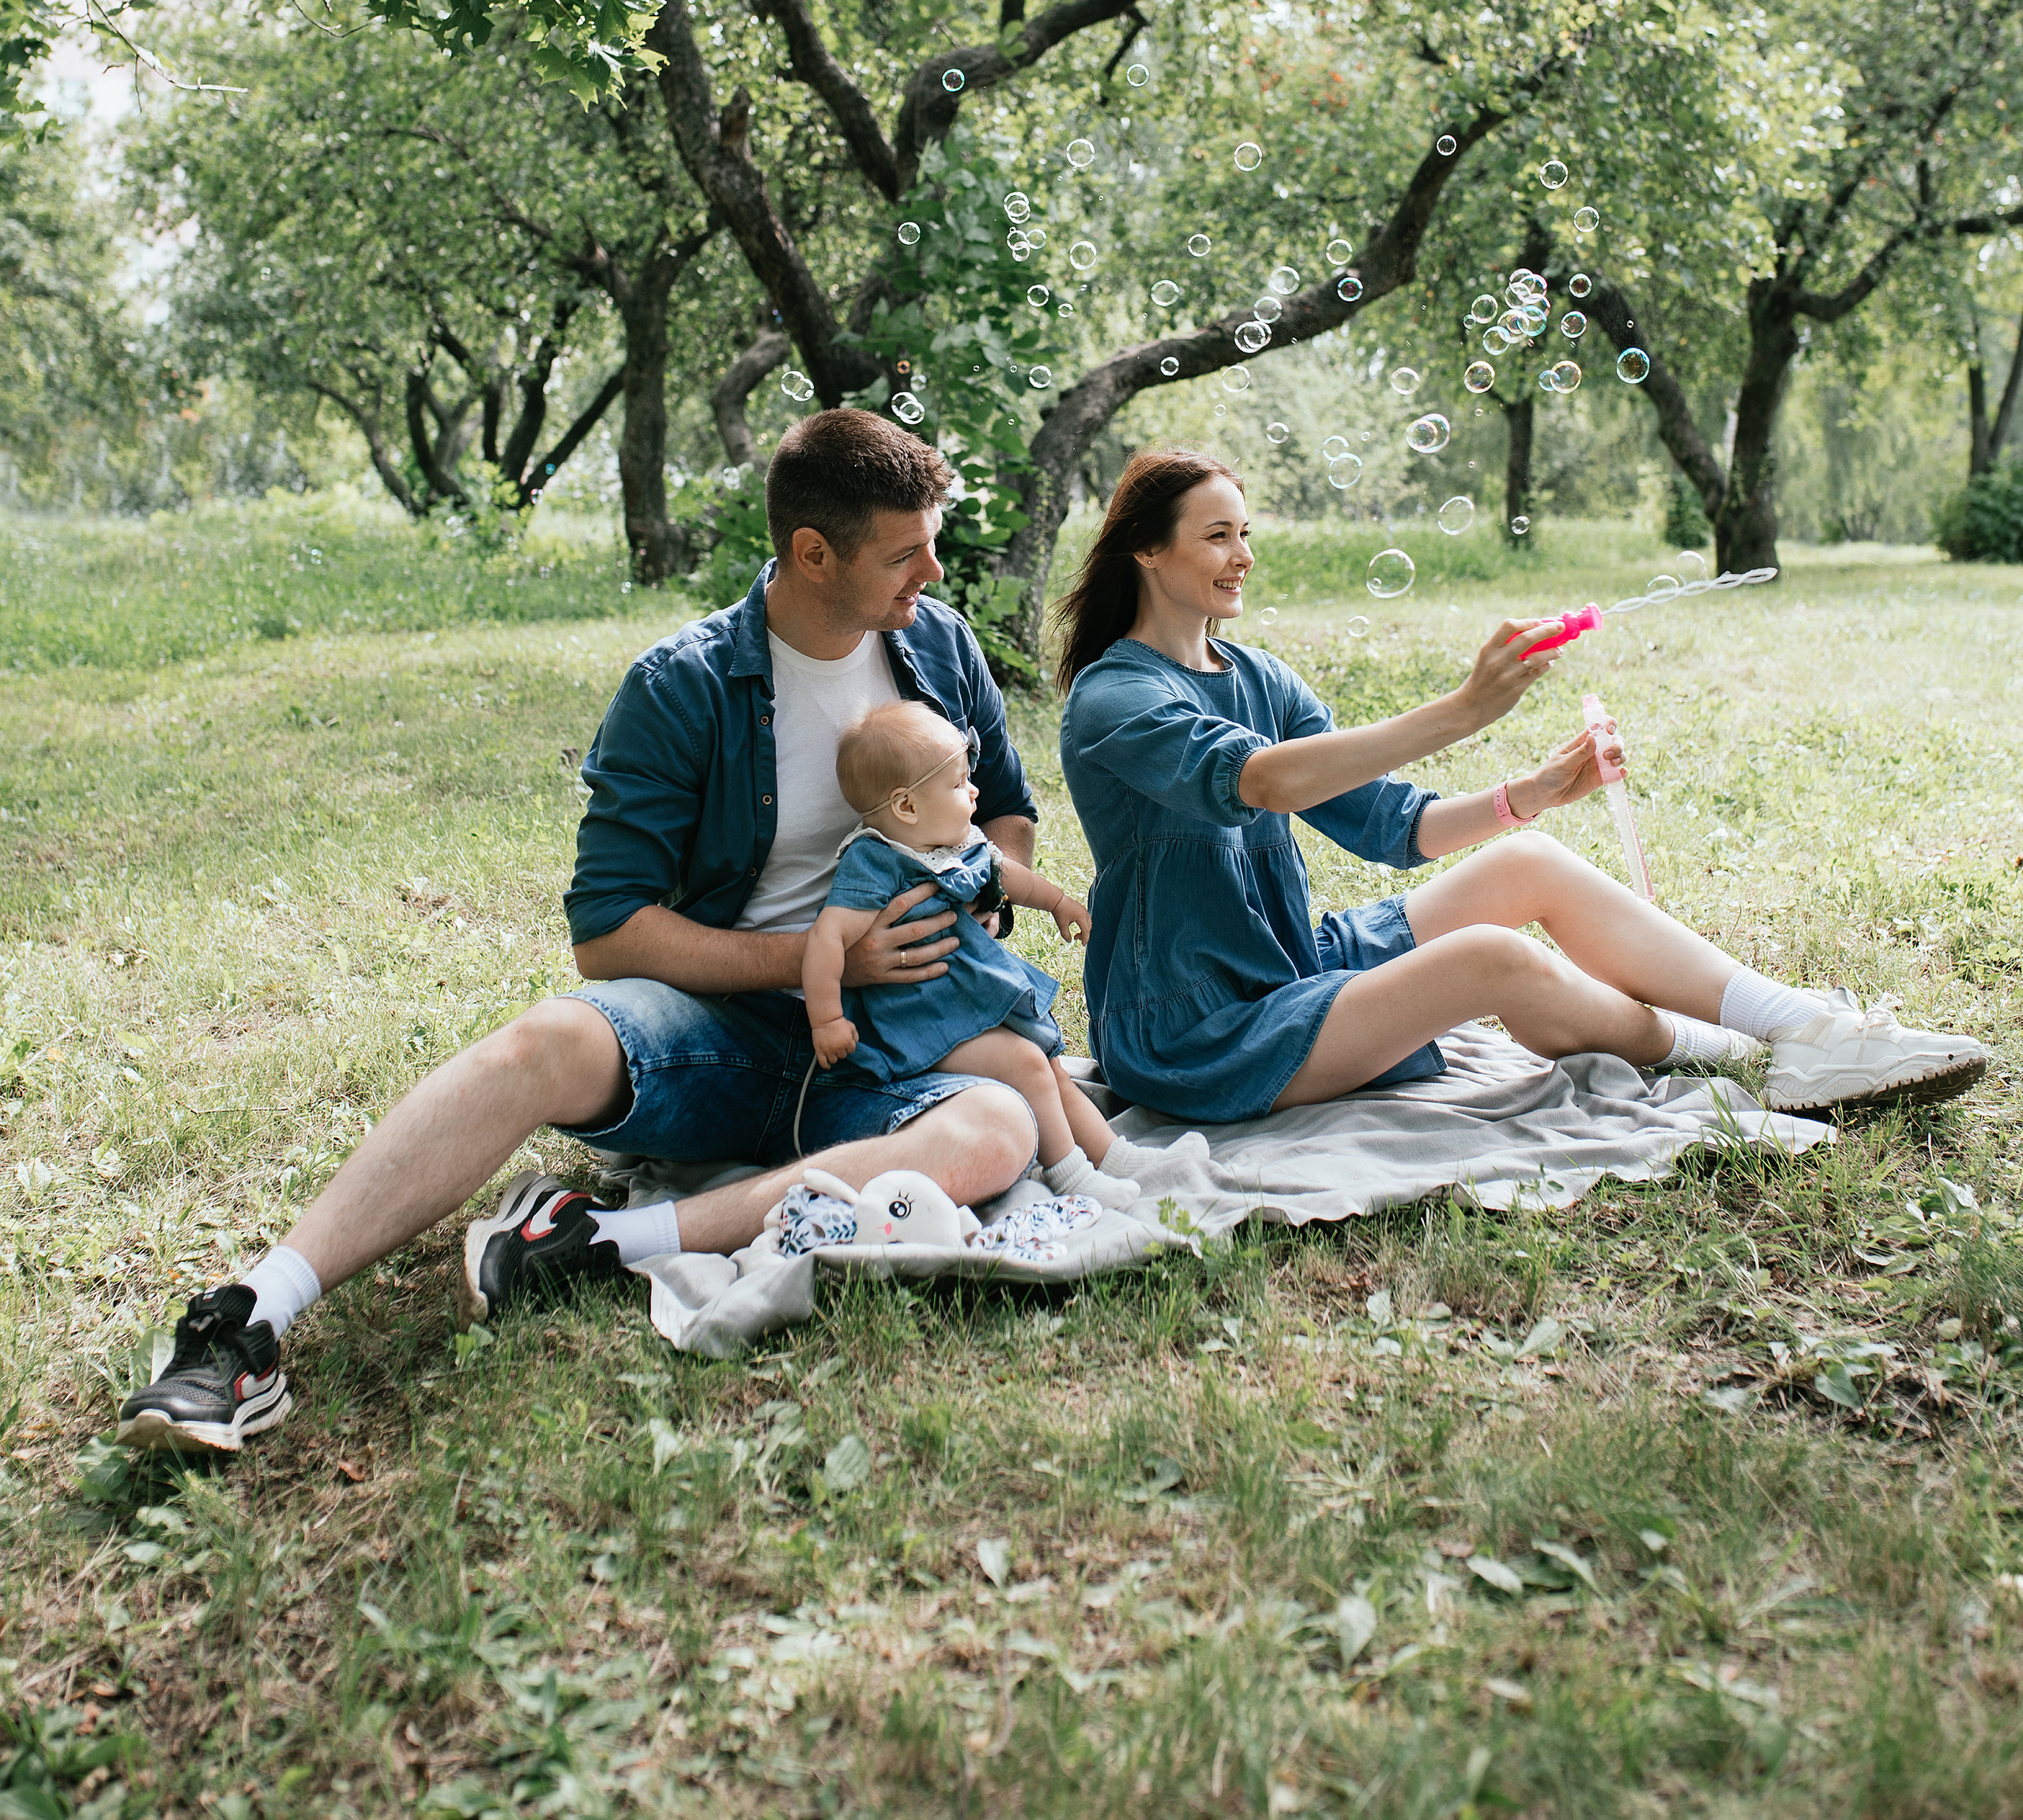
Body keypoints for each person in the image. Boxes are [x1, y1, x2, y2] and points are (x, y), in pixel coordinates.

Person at [116, 412, 1051, 1453]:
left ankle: (593, 1244)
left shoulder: (941, 645)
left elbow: (1007, 810)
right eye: (904, 550)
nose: (933, 568)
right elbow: (611, 937)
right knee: (549, 1039)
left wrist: (975, 899)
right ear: (812, 553)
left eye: (932, 540)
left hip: (901, 1046)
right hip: (730, 1034)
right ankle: (250, 1316)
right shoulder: (682, 685)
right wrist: (820, 960)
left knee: (1000, 1127)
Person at [1056, 448, 1988, 1125]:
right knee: (1490, 960)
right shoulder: (1115, 696)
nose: (1242, 555)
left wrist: (1528, 794)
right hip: (1196, 1026)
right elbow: (1260, 783)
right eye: (1216, 536)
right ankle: (1750, 1060)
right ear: (1145, 550)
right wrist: (1462, 710)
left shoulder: (1257, 675)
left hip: (1289, 961)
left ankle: (1807, 1030)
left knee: (1529, 863)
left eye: (1245, 533)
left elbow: (1390, 825)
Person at [804, 701, 1139, 1211]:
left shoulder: (955, 842)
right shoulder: (875, 861)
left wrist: (1057, 901)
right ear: (907, 807)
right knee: (1027, 1062)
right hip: (916, 1019)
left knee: (1048, 1067)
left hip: (965, 1001)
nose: (975, 792)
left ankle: (1115, 1157)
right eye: (960, 784)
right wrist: (827, 1018)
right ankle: (1069, 1175)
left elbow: (1005, 873)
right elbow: (827, 939)